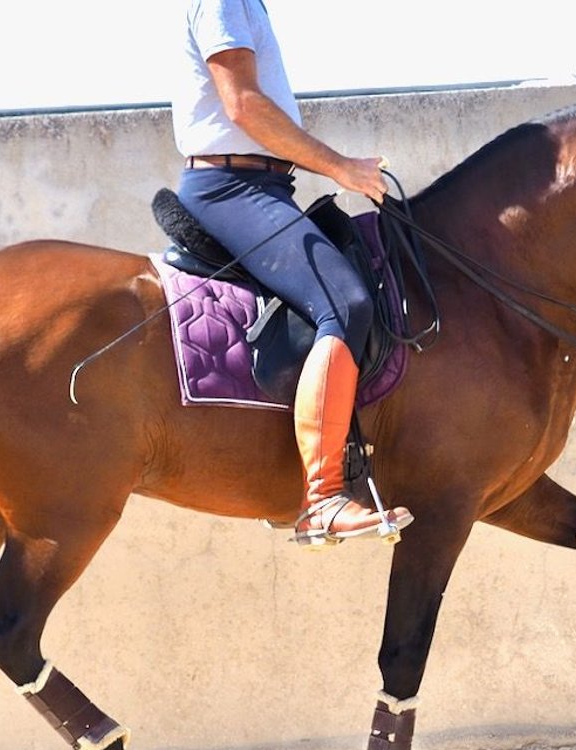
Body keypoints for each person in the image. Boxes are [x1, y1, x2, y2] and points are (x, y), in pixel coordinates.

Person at [171, 0, 413, 546]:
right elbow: (244, 107)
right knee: (345, 304)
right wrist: (342, 168)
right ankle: (324, 497)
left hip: (266, 187)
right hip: (231, 189)